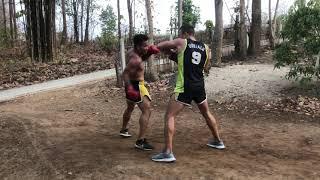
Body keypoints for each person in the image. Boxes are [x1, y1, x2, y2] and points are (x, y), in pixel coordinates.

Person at [151, 25, 225, 162]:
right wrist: (176, 56)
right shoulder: (206, 47)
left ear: (185, 33)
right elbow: (204, 66)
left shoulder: (182, 42)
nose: (180, 36)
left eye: (181, 34)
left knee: (169, 116)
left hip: (185, 86)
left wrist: (152, 48)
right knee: (206, 113)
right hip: (199, 86)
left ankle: (167, 152)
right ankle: (218, 140)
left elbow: (162, 45)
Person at [120, 34, 160, 151]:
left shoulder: (132, 52)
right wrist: (130, 88)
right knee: (147, 110)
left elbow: (140, 59)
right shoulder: (135, 60)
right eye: (144, 46)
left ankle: (124, 129)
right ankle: (140, 141)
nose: (147, 48)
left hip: (132, 84)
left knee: (130, 108)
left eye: (147, 45)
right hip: (136, 85)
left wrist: (149, 53)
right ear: (137, 46)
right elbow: (125, 74)